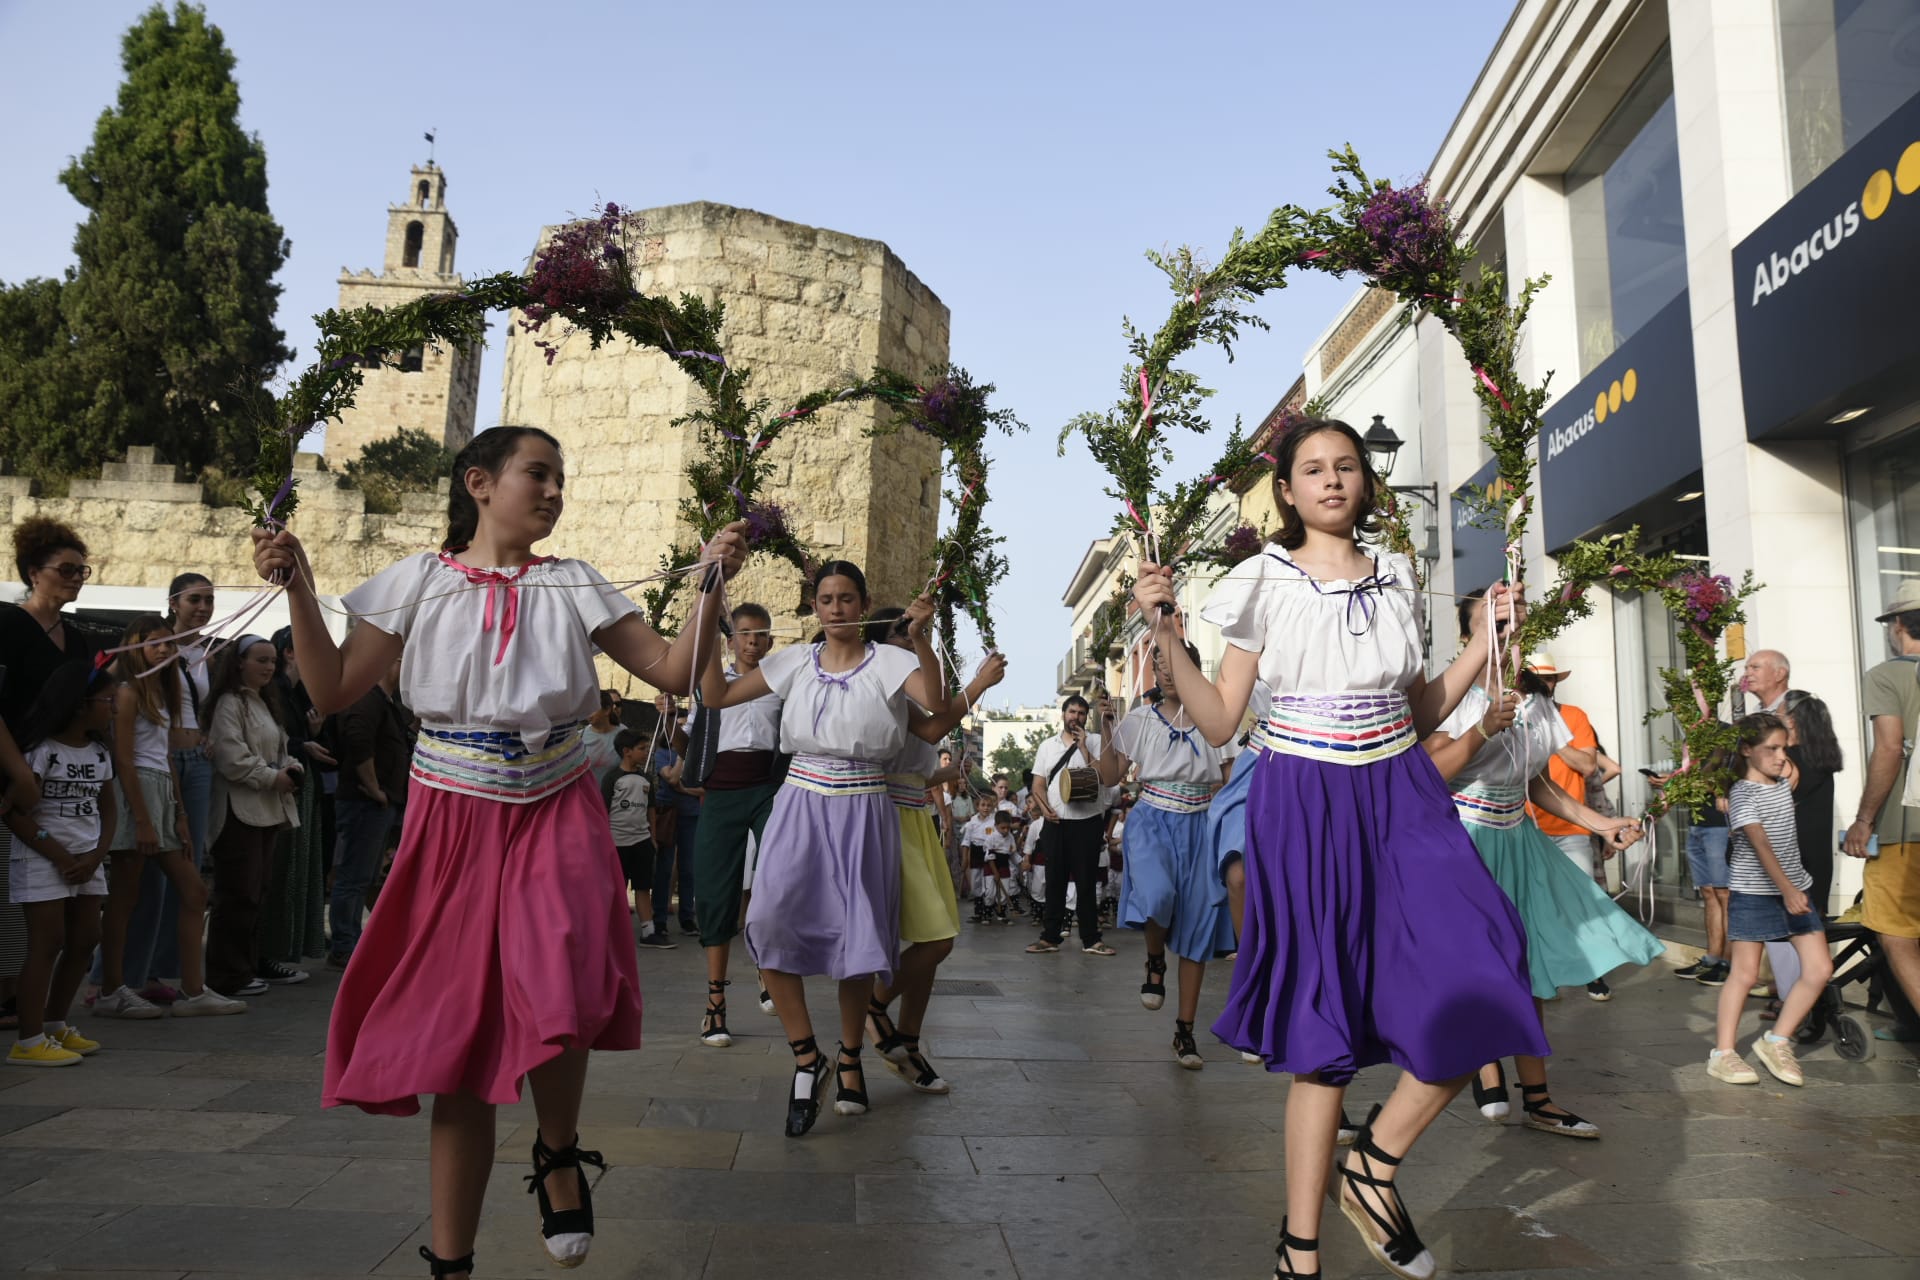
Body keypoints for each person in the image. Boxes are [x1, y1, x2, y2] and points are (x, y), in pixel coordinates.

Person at [253, 424, 748, 1278]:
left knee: (560, 978)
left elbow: (671, 671)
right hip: (452, 815)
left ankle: (558, 1153)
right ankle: (452, 1261)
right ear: (479, 482)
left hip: (556, 806)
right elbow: (332, 688)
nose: (554, 492)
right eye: (538, 474)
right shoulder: (415, 581)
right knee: (461, 1039)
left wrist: (709, 583)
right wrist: (298, 582)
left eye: (561, 478)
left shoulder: (575, 584)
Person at [1137, 417, 1543, 1280]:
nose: (1330, 480)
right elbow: (1218, 722)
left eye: (1346, 466)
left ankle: (1374, 1163)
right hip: (1305, 796)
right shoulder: (1260, 577)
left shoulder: (1401, 573)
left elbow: (1421, 711)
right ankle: (1301, 1250)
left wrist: (1482, 645)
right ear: (1286, 490)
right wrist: (1167, 633)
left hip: (1400, 787)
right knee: (1324, 1023)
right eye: (1312, 470)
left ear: (1366, 482)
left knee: (1488, 964)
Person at [704, 563, 946, 1138]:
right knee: (767, 923)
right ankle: (806, 1056)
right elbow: (715, 695)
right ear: (815, 606)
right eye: (827, 599)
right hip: (800, 801)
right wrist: (709, 618)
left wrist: (918, 640)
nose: (836, 608)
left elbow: (933, 704)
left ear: (862, 603)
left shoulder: (891, 661)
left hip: (864, 805)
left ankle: (850, 1056)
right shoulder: (790, 662)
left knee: (857, 941)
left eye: (847, 598)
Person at [1425, 595, 1663, 1140]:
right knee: (1481, 964)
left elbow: (1537, 783)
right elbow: (1429, 772)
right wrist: (1480, 728)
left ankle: (1539, 1099)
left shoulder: (1534, 697)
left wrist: (1600, 825)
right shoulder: (1451, 693)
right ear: (1469, 632)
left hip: (1522, 839)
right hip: (1467, 842)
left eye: (1518, 625)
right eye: (1497, 622)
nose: (1510, 633)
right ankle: (1485, 1064)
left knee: (1531, 966)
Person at [865, 606, 1006, 1095]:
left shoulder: (910, 691)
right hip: (889, 818)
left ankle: (909, 1039)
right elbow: (928, 730)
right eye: (902, 637)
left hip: (915, 818)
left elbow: (920, 761)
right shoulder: (881, 681)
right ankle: (873, 1005)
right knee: (937, 938)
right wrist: (980, 684)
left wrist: (950, 775)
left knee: (932, 942)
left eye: (914, 636)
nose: (909, 644)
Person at [1095, 640, 1234, 1069]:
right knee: (1156, 896)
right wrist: (1106, 730)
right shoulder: (1139, 719)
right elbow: (1110, 775)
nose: (1164, 670)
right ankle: (1155, 959)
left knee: (1197, 930)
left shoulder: (1217, 724)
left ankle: (1185, 1033)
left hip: (1200, 823)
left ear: (1193, 669)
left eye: (1173, 662)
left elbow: (1230, 781)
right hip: (1152, 817)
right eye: (1159, 663)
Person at [97, 616, 240, 1018]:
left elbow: (166, 757)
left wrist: (177, 814)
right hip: (136, 793)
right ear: (134, 646)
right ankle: (110, 989)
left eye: (169, 644)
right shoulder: (126, 693)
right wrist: (142, 819)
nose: (163, 650)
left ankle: (193, 991)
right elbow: (123, 759)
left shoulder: (164, 694)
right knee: (125, 896)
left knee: (193, 891)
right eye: (153, 643)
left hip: (161, 789)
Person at [0, 519, 100, 1023]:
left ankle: (28, 1006)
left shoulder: (78, 640)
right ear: (34, 572)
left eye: (81, 569)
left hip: (58, 785)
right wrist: (17, 772)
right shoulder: (7, 625)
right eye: (66, 569)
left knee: (51, 915)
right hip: (11, 777)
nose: (77, 577)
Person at [1708, 713, 1832, 1086]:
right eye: (1772, 749)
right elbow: (1760, 844)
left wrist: (1780, 733)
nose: (1781, 756)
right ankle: (1724, 1054)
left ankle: (1776, 1040)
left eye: (1785, 748)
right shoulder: (1742, 794)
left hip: (1795, 890)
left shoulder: (1781, 781)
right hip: (1757, 894)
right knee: (1744, 974)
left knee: (1820, 969)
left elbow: (1788, 765)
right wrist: (1789, 890)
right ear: (1746, 750)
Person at [4, 660, 116, 1065]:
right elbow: (15, 813)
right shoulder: (41, 751)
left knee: (86, 938)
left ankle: (55, 1024)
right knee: (47, 942)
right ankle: (28, 1041)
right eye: (107, 700)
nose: (113, 708)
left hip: (86, 860)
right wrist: (61, 855)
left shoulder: (101, 751)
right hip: (43, 858)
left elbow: (108, 810)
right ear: (80, 703)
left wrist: (96, 855)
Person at [690, 602, 784, 1047]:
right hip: (721, 794)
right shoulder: (711, 684)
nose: (752, 641)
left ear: (770, 641)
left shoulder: (780, 685)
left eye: (760, 634)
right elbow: (692, 738)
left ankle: (768, 972)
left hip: (768, 790)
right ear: (731, 641)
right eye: (745, 633)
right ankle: (715, 1005)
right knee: (715, 891)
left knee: (775, 878)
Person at [1843, 582, 1920, 1047]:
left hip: (1904, 827)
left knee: (1895, 934)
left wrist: (1865, 819)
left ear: (1897, 626)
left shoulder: (1887, 676)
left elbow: (1890, 747)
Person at [204, 636, 302, 1000]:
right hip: (238, 810)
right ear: (239, 662)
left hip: (267, 809)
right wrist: (271, 777)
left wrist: (292, 768)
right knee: (236, 893)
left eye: (272, 661)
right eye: (261, 660)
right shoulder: (229, 703)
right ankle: (226, 974)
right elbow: (232, 757)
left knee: (257, 891)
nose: (269, 667)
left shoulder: (263, 702)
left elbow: (281, 747)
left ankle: (245, 967)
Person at [259, 626, 331, 982]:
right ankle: (271, 952)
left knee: (296, 870)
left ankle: (283, 949)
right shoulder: (275, 692)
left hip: (301, 784)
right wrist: (303, 745)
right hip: (281, 787)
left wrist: (309, 740)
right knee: (281, 872)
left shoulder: (300, 692)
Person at [328, 656, 410, 969]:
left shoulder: (385, 701)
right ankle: (344, 945)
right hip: (365, 802)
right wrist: (374, 787)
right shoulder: (366, 698)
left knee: (364, 876)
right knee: (353, 876)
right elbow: (358, 740)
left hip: (379, 802)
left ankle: (351, 940)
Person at [1026, 696, 1113, 956]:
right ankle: (1050, 937)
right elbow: (1038, 784)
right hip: (1056, 822)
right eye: (1072, 711)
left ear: (1087, 717)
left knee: (1086, 882)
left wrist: (1085, 747)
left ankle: (1091, 939)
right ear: (1063, 714)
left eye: (1082, 713)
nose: (1076, 717)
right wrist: (1044, 809)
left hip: (1087, 823)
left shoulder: (1096, 741)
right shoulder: (1047, 746)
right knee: (1055, 880)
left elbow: (1104, 777)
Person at [1520, 656, 1602, 880]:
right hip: (1526, 827)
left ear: (1556, 682)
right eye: (1537, 679)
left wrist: (1553, 735)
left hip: (1571, 829)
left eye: (1548, 679)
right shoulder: (1514, 716)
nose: (1543, 684)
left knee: (1582, 902)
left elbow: (1588, 766)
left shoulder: (1574, 715)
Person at [581, 691, 622, 786]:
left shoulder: (623, 734)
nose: (588, 714)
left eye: (592, 709)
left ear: (607, 710)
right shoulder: (579, 736)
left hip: (614, 796)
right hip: (587, 796)